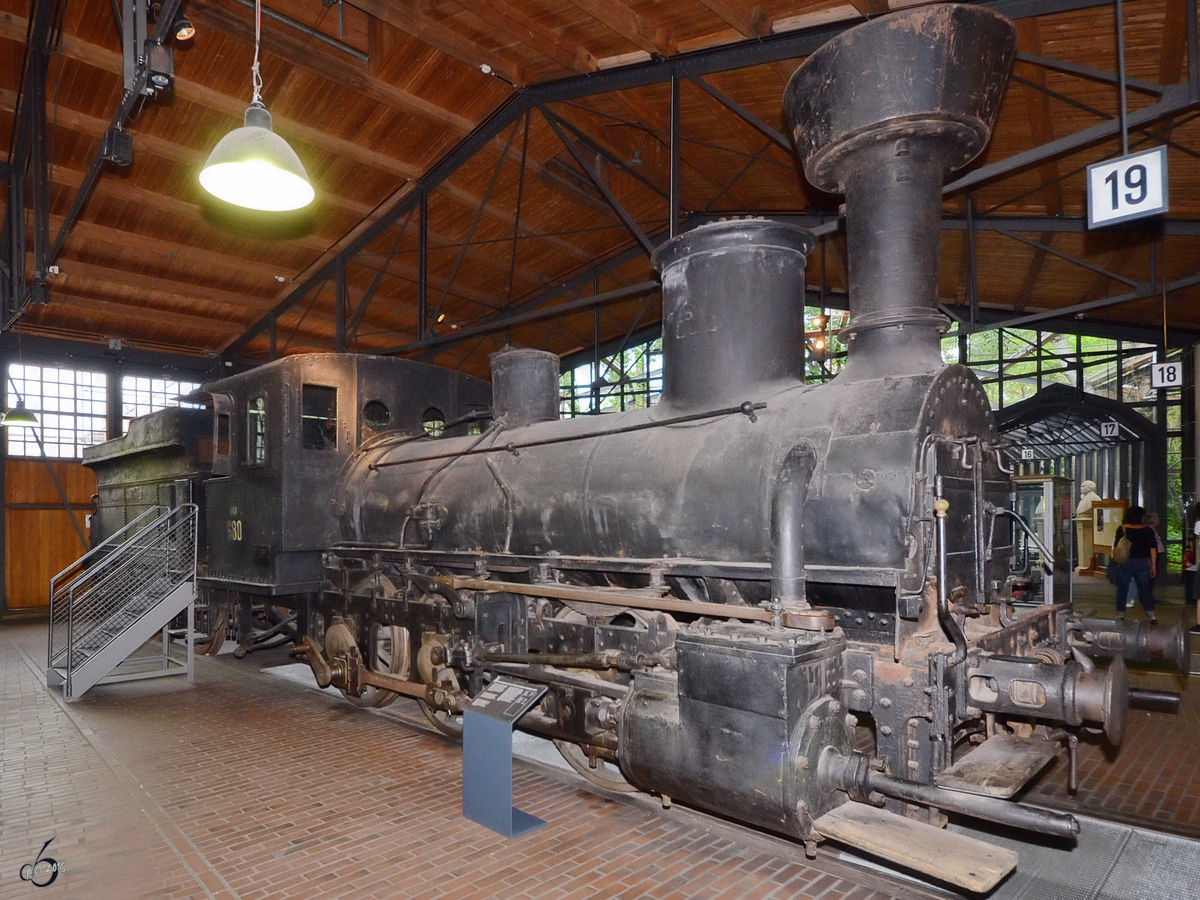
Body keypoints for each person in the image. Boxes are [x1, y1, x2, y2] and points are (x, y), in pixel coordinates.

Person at [1113, 506, 1158, 623]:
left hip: (1125, 563)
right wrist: (1153, 566)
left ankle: (1120, 615)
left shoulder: (1122, 529)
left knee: (1122, 589)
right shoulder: (1148, 530)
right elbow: (1153, 549)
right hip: (1142, 563)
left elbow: (1116, 547)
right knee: (1145, 590)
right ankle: (1152, 616)